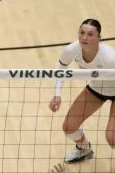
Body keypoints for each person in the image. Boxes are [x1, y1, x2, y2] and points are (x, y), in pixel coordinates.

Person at [49, 19, 115, 163]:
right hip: (96, 89)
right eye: (82, 33)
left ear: (99, 38)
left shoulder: (110, 58)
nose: (85, 37)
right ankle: (84, 149)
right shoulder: (71, 50)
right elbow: (60, 69)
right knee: (69, 127)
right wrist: (57, 94)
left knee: (112, 137)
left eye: (90, 34)